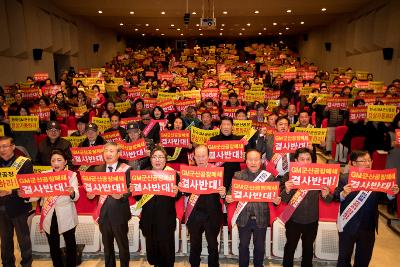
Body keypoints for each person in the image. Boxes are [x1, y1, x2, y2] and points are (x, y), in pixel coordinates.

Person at [334, 150, 399, 267]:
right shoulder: (344, 178)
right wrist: (343, 194)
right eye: (363, 161)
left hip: (368, 226)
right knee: (344, 259)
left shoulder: (377, 178)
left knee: (364, 259)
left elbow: (383, 197)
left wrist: (391, 194)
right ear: (353, 163)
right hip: (348, 224)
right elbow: (335, 196)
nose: (368, 163)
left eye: (369, 160)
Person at [225, 150, 281, 267]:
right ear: (246, 161)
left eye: (256, 160)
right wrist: (228, 197)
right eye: (250, 160)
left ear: (261, 161)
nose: (253, 162)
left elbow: (275, 198)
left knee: (260, 247)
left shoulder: (268, 177)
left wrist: (276, 201)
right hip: (243, 217)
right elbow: (230, 194)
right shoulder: (238, 175)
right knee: (243, 246)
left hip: (261, 217)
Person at [281, 147, 333, 267]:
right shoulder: (289, 175)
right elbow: (283, 199)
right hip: (293, 219)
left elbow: (328, 200)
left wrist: (326, 195)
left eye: (308, 159)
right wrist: (287, 190)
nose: (305, 162)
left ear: (312, 160)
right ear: (295, 160)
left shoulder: (319, 175)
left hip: (312, 219)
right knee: (290, 247)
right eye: (302, 159)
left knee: (308, 248)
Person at [29, 149, 79, 267]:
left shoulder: (71, 175)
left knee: (70, 244)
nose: (56, 163)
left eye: (59, 160)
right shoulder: (44, 175)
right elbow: (37, 194)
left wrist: (72, 192)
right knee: (53, 245)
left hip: (66, 214)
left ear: (65, 162)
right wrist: (26, 196)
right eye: (53, 160)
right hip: (49, 214)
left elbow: (76, 196)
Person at [132, 146, 180, 267]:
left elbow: (178, 196)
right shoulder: (143, 174)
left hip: (166, 220)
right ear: (150, 159)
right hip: (148, 220)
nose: (157, 160)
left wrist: (177, 192)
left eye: (160, 157)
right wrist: (135, 190)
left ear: (165, 159)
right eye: (154, 157)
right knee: (152, 252)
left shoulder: (173, 175)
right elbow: (138, 198)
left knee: (166, 252)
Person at [87, 142, 132, 267]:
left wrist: (121, 195)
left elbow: (130, 189)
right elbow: (93, 190)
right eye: (106, 151)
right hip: (103, 214)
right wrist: (90, 195)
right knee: (107, 246)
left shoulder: (127, 169)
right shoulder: (97, 169)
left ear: (119, 153)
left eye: (111, 151)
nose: (108, 153)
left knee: (122, 245)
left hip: (119, 213)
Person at [183, 145, 226, 267]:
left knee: (213, 245)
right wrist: (182, 187)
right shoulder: (189, 172)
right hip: (194, 213)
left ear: (208, 157)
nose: (201, 159)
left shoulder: (216, 172)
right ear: (194, 157)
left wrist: (223, 193)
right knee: (195, 244)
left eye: (203, 156)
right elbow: (186, 192)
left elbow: (224, 194)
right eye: (198, 156)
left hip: (212, 214)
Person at [0, 136, 33, 267]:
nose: (2, 149)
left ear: (13, 147)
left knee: (23, 239)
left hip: (19, 207)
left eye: (5, 146)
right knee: (5, 240)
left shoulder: (25, 162)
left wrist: (10, 191)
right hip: (1, 207)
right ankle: (7, 264)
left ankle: (26, 263)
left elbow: (28, 187)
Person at [210, 116, 242, 190]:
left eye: (228, 124)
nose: (226, 127)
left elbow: (246, 155)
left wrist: (244, 155)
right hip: (218, 174)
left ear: (232, 126)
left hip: (234, 173)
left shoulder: (239, 140)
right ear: (220, 127)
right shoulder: (213, 140)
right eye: (224, 124)